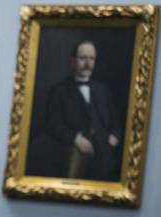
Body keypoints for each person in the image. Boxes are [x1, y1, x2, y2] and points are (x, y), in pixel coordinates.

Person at [44, 40, 121, 180]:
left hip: (107, 156)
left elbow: (115, 121)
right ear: (73, 61)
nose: (88, 63)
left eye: (91, 58)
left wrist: (114, 136)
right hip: (76, 155)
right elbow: (53, 124)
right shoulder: (59, 91)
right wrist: (76, 138)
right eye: (83, 58)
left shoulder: (102, 90)